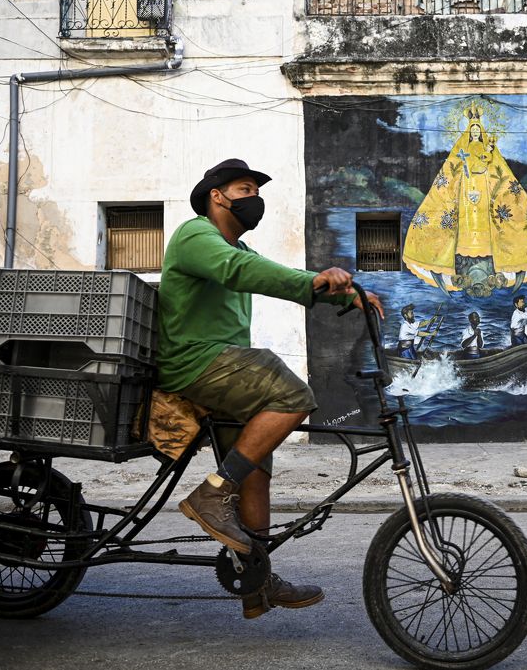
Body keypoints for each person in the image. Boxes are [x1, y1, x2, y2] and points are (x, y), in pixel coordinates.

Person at [157, 158, 383, 620]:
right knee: (293, 395)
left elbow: (275, 276)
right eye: (245, 189)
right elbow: (239, 272)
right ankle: (212, 492)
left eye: (255, 191)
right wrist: (318, 279)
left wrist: (346, 293)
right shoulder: (196, 236)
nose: (254, 198)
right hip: (195, 363)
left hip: (221, 368)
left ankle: (256, 582)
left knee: (256, 469)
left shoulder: (239, 249)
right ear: (217, 196)